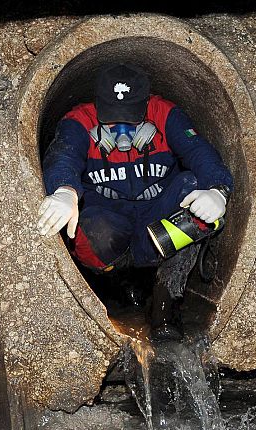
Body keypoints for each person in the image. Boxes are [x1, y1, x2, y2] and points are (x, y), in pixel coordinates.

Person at [37, 63, 233, 341]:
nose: (122, 132)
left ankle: (164, 303)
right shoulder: (78, 121)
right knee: (91, 227)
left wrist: (218, 189)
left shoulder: (165, 115)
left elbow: (198, 151)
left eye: (130, 120)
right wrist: (64, 190)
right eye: (111, 119)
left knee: (193, 190)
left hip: (156, 218)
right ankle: (117, 286)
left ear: (145, 106)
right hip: (107, 215)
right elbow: (63, 155)